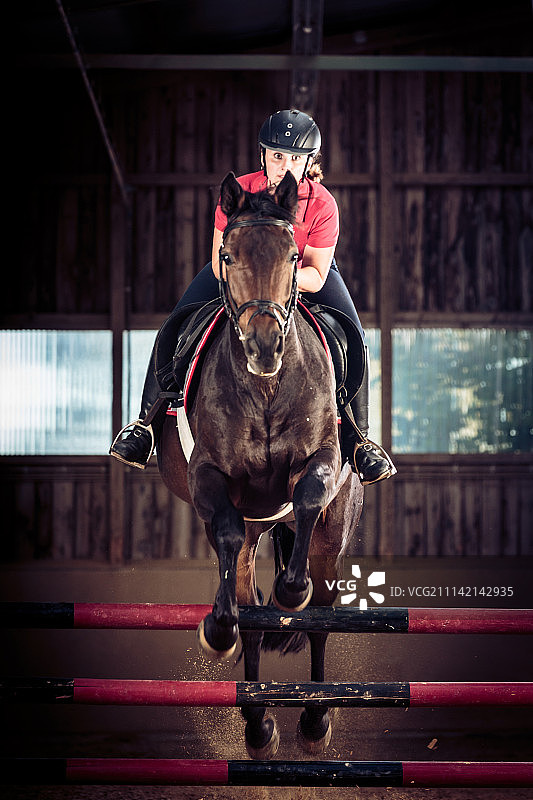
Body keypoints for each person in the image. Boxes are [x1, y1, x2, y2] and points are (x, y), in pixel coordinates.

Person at [110, 109, 396, 485]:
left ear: (311, 161)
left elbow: (316, 273)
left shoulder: (323, 203)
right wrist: (255, 279)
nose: (286, 165)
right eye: (277, 155)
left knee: (353, 335)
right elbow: (218, 264)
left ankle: (361, 440)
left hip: (302, 274)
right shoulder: (239, 191)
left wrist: (277, 280)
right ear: (263, 155)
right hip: (239, 272)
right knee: (175, 324)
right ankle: (145, 424)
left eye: (295, 157)